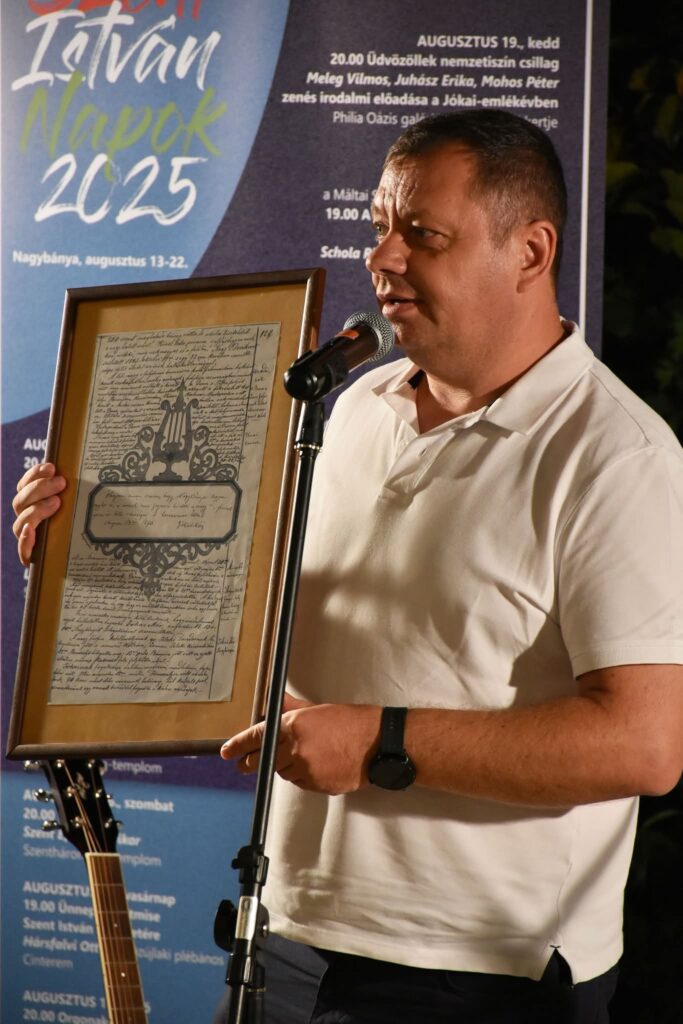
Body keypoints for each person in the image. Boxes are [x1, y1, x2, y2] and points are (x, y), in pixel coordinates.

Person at [13, 112, 683, 1024]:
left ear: (529, 252)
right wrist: (85, 556)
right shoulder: (355, 405)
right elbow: (257, 627)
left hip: (477, 973)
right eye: (379, 226)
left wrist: (380, 744)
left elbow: (644, 743)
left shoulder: (618, 456)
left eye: (423, 235)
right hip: (284, 933)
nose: (382, 257)